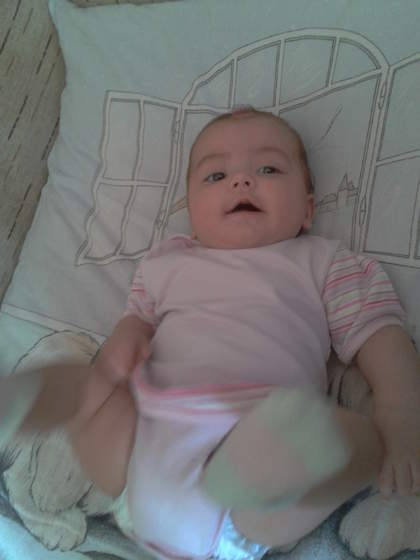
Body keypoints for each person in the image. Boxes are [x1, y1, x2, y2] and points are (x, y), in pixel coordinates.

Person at [1, 108, 420, 560]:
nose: (242, 181)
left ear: (307, 209)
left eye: (268, 169)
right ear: (192, 214)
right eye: (216, 175)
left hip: (258, 474)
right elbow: (135, 322)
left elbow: (380, 335)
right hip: (152, 447)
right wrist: (122, 347)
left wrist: (399, 416)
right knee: (93, 391)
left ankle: (260, 467)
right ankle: (42, 403)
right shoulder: (165, 262)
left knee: (351, 440)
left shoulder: (324, 262)